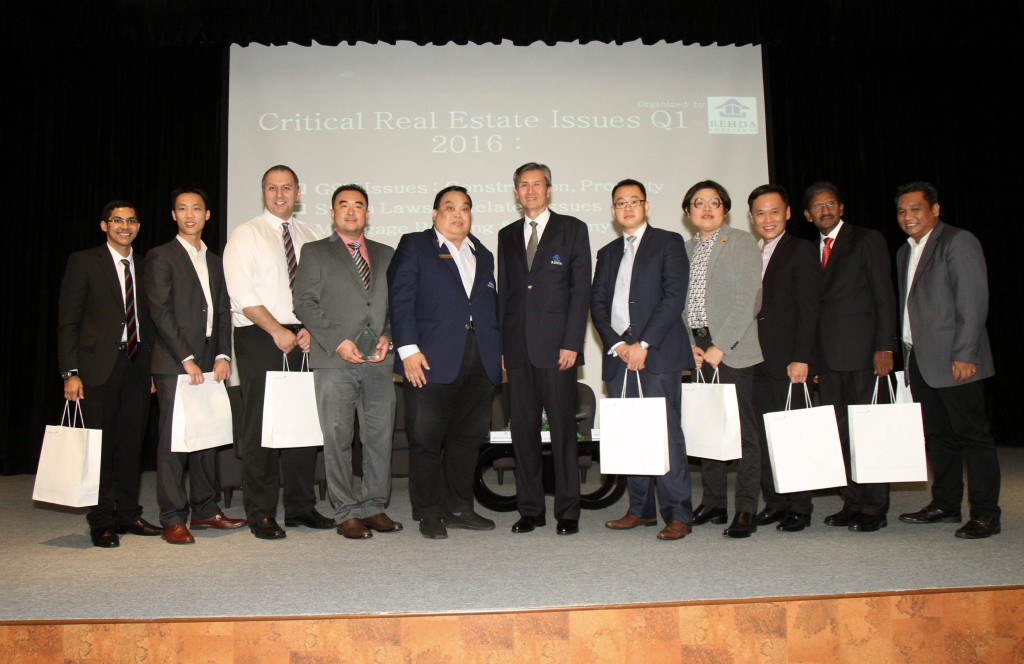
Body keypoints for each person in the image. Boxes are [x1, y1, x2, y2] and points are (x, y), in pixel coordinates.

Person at [222, 165, 333, 540]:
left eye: (287, 188)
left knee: (303, 424)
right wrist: (276, 330)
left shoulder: (311, 234)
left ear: (298, 193)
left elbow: (321, 290)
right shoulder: (246, 234)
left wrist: (308, 330)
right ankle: (261, 512)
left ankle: (301, 507)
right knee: (261, 427)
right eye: (272, 188)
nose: (280, 194)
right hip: (259, 336)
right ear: (263, 192)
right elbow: (241, 294)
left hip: (304, 336)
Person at [386, 186, 501, 540]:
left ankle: (459, 507)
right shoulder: (416, 245)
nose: (458, 214)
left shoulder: (482, 253)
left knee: (467, 439)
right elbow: (400, 299)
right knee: (426, 439)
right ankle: (429, 512)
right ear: (434, 214)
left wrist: (498, 351)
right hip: (429, 359)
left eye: (465, 208)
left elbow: (487, 307)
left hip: (478, 359)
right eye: (449, 207)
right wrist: (408, 350)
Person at [293, 184, 401, 540]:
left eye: (359, 206)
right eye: (344, 205)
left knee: (379, 437)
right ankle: (346, 511)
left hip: (379, 362)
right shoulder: (315, 251)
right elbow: (305, 302)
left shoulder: (387, 254)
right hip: (334, 360)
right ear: (332, 213)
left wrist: (388, 336)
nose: (352, 211)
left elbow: (394, 306)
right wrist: (337, 342)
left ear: (367, 214)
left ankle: (374, 506)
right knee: (337, 437)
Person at [894, 182, 1001, 539]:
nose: (908, 217)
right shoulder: (904, 252)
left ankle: (986, 513)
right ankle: (945, 504)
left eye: (916, 209)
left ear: (935, 210)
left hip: (957, 360)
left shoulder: (958, 241)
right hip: (920, 360)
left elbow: (973, 301)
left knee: (972, 437)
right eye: (902, 211)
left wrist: (965, 354)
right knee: (938, 437)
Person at [590, 179, 695, 541]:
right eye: (620, 203)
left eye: (634, 201)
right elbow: (598, 305)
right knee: (631, 433)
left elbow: (673, 297)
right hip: (620, 357)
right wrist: (619, 345)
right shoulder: (606, 252)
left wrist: (644, 343)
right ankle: (640, 509)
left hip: (659, 354)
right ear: (614, 210)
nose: (628, 208)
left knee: (665, 435)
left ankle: (678, 513)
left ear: (646, 206)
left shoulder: (668, 243)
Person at [143, 187, 247, 544]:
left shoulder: (215, 260)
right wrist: (185, 358)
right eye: (182, 209)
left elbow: (221, 312)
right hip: (175, 362)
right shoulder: (160, 256)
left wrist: (222, 355)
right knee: (175, 442)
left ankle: (205, 509)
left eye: (197, 209)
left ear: (207, 215)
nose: (190, 214)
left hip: (209, 359)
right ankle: (172, 517)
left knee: (207, 438)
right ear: (173, 215)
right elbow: (160, 313)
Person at [57, 200, 161, 548]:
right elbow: (68, 322)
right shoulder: (84, 262)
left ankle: (128, 514)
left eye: (131, 220)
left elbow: (149, 323)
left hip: (136, 367)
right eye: (117, 220)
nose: (124, 226)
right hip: (97, 369)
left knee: (132, 445)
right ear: (104, 226)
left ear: (138, 226)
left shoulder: (146, 267)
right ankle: (101, 520)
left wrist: (149, 368)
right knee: (99, 448)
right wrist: (70, 372)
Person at [496, 162, 591, 536]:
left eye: (537, 184)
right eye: (523, 185)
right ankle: (530, 509)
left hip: (557, 351)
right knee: (523, 433)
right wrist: (503, 345)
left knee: (564, 432)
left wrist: (572, 343)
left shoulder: (572, 229)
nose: (531, 191)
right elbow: (506, 295)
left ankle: (568, 512)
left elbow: (580, 290)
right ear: (516, 192)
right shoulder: (505, 235)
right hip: (518, 351)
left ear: (549, 190)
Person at [804, 181, 897, 533]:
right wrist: (812, 362)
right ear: (808, 215)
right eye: (818, 206)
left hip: (864, 355)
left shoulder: (866, 239)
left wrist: (884, 346)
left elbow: (883, 295)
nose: (825, 210)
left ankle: (874, 507)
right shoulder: (810, 250)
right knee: (839, 434)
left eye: (830, 204)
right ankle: (852, 501)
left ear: (841, 208)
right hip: (827, 361)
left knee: (867, 432)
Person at [681, 180, 764, 538]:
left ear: (725, 209)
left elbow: (749, 300)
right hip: (698, 348)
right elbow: (678, 305)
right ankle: (714, 503)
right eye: (699, 203)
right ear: (688, 212)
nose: (707, 208)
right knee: (707, 428)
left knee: (742, 432)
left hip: (733, 348)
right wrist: (691, 344)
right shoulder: (683, 249)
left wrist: (721, 346)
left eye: (714, 202)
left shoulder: (742, 243)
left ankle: (746, 508)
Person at [747, 184, 821, 533]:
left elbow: (809, 310)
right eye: (760, 213)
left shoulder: (801, 251)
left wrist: (802, 357)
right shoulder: (750, 253)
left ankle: (799, 506)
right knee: (763, 436)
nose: (768, 219)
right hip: (753, 360)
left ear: (788, 213)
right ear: (751, 218)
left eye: (774, 211)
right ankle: (775, 502)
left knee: (792, 435)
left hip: (787, 360)